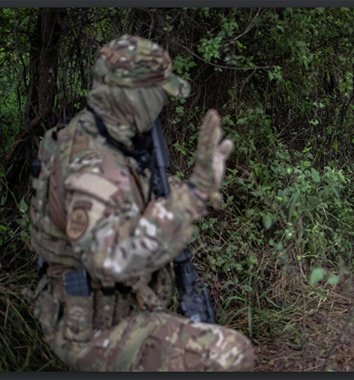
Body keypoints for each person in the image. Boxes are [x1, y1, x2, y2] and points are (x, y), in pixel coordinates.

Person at [25, 35, 254, 371]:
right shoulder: (90, 164)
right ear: (135, 97)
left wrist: (186, 192)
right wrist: (194, 196)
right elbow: (110, 260)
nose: (163, 103)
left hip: (118, 307)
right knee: (231, 353)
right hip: (90, 330)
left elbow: (133, 202)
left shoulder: (111, 138)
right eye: (158, 94)